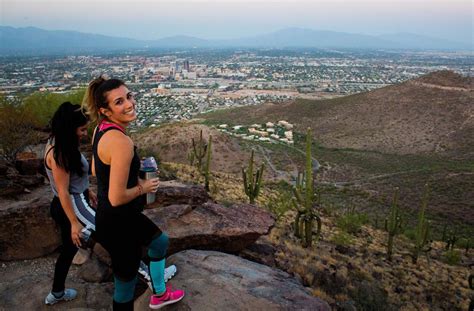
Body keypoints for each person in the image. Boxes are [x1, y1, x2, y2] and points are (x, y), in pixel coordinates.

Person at [44, 102, 176, 307]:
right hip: (73, 205)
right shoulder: (58, 152)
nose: (84, 133)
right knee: (118, 241)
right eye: (80, 129)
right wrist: (74, 223)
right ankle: (152, 277)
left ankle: (57, 293)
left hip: (72, 201)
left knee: (69, 250)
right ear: (69, 128)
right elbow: (63, 190)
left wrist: (87, 189)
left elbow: (67, 180)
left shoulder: (57, 143)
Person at [83, 76, 184, 310]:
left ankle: (159, 293)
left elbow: (97, 169)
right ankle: (157, 294)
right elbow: (116, 198)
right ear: (105, 110)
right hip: (119, 222)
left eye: (129, 96)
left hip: (116, 218)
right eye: (119, 102)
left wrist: (128, 174)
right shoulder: (121, 142)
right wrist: (143, 187)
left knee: (160, 242)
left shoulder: (100, 129)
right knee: (125, 286)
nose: (129, 104)